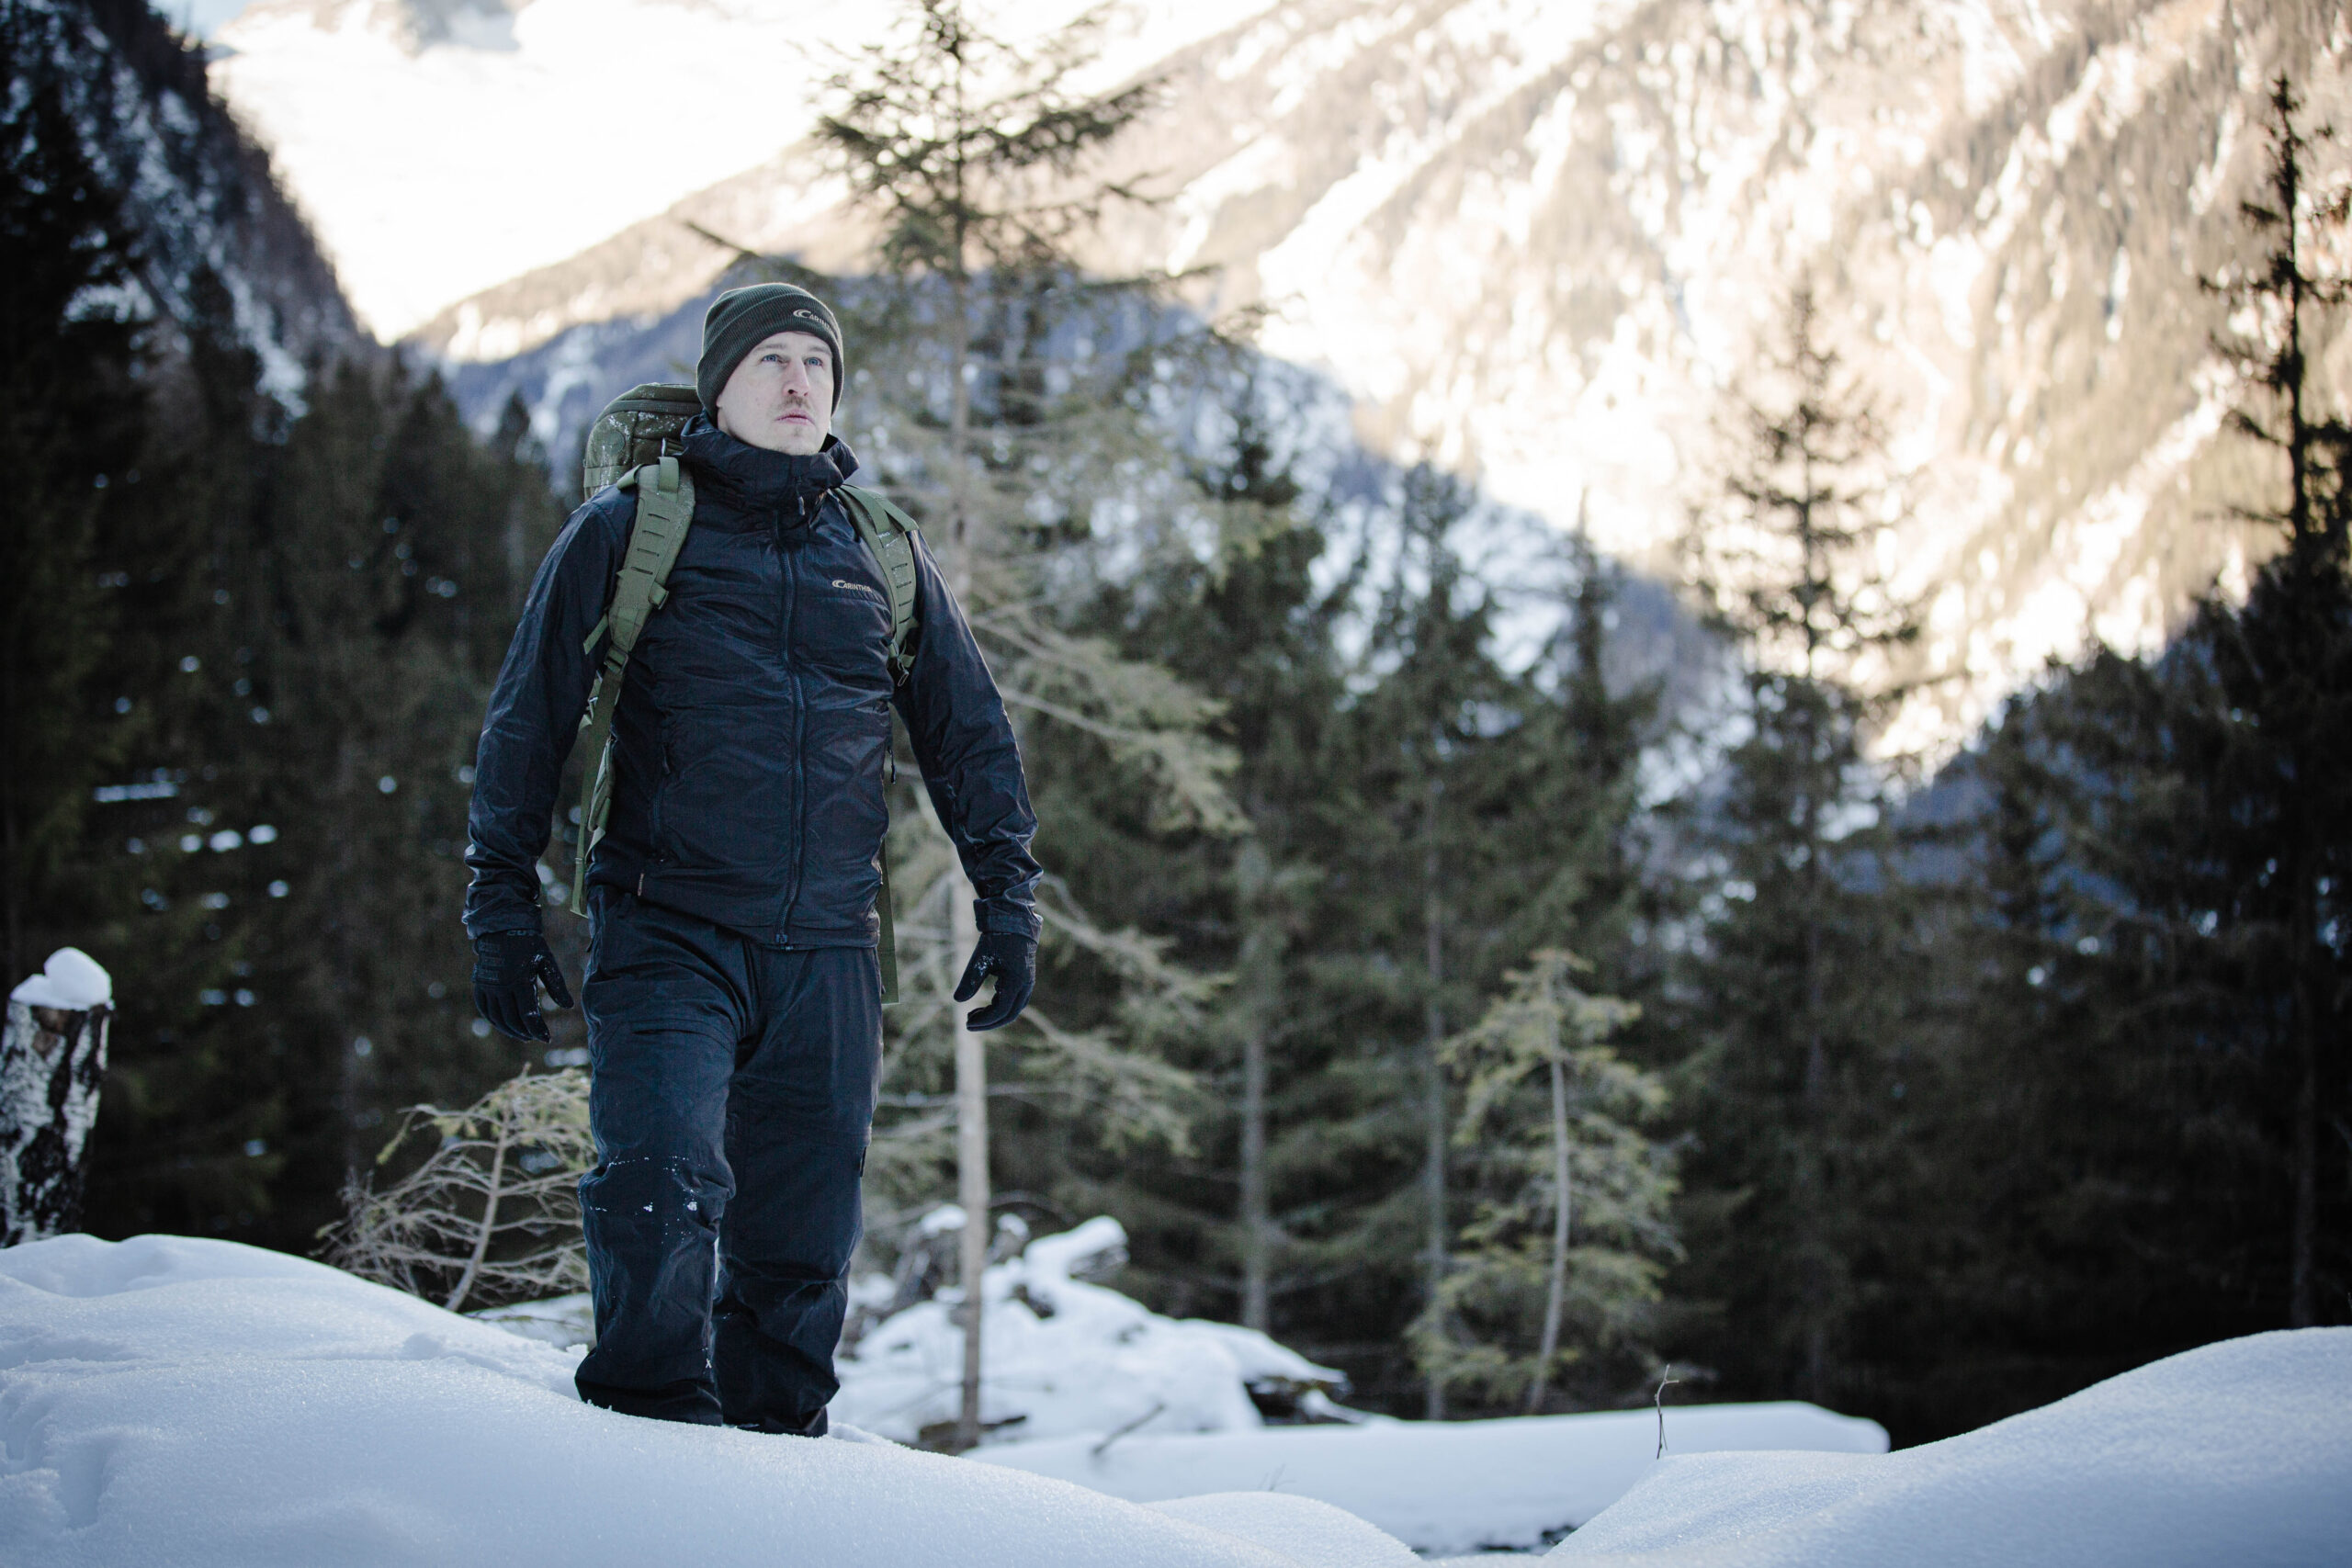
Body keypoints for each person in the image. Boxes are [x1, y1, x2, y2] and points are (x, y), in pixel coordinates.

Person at [462, 282, 1041, 1434]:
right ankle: (644, 1435)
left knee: (803, 1242)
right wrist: (499, 903)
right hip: (665, 925)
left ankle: (777, 1470)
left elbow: (967, 734)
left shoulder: (879, 548)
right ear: (717, 389)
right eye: (769, 359)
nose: (796, 382)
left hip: (828, 949)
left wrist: (1007, 900)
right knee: (657, 1189)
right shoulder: (629, 529)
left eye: (816, 364)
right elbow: (529, 720)